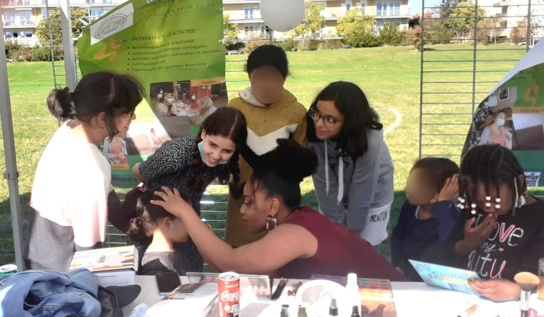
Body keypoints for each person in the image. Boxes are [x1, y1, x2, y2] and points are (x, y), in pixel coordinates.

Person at [151, 139, 407, 281]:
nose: (243, 209)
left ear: (273, 205)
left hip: (402, 302)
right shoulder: (299, 221)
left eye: (250, 202)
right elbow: (256, 270)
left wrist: (186, 213)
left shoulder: (295, 233)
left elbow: (231, 263)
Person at [23, 71, 145, 271]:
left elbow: (108, 197)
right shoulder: (91, 169)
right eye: (128, 113)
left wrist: (135, 229)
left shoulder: (69, 129)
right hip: (62, 270)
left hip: (39, 250)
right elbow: (89, 250)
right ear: (101, 118)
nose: (133, 117)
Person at [436, 145, 544, 301]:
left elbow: (534, 275)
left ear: (518, 183)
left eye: (493, 199)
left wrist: (514, 290)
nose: (486, 206)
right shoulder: (474, 208)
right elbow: (449, 252)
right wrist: (469, 243)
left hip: (514, 305)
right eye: (477, 199)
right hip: (466, 296)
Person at [132, 106, 247, 271]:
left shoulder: (221, 163)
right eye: (213, 145)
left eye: (227, 151)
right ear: (204, 133)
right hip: (155, 223)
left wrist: (194, 222)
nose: (216, 155)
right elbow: (140, 171)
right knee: (152, 274)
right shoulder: (175, 154)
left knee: (190, 274)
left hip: (186, 220)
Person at [225, 44, 308, 248]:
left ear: (284, 78)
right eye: (260, 78)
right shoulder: (235, 108)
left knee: (276, 257)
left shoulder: (296, 112)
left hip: (278, 205)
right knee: (239, 259)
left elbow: (299, 163)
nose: (266, 85)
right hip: (241, 205)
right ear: (249, 77)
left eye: (273, 78)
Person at [307, 81, 394, 251]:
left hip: (372, 196)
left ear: (350, 121)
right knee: (335, 245)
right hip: (337, 192)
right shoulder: (314, 131)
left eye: (330, 119)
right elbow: (324, 185)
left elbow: (362, 191)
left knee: (363, 251)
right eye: (317, 113)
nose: (318, 123)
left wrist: (351, 232)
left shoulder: (370, 142)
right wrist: (338, 227)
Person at [391, 158, 460, 280]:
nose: (407, 189)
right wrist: (397, 264)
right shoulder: (410, 208)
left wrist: (442, 205)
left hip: (432, 283)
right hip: (408, 275)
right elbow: (398, 235)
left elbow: (449, 245)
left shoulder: (450, 217)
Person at [122, 186, 192, 275]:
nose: (191, 224)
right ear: (167, 223)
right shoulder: (156, 267)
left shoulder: (175, 250)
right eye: (186, 218)